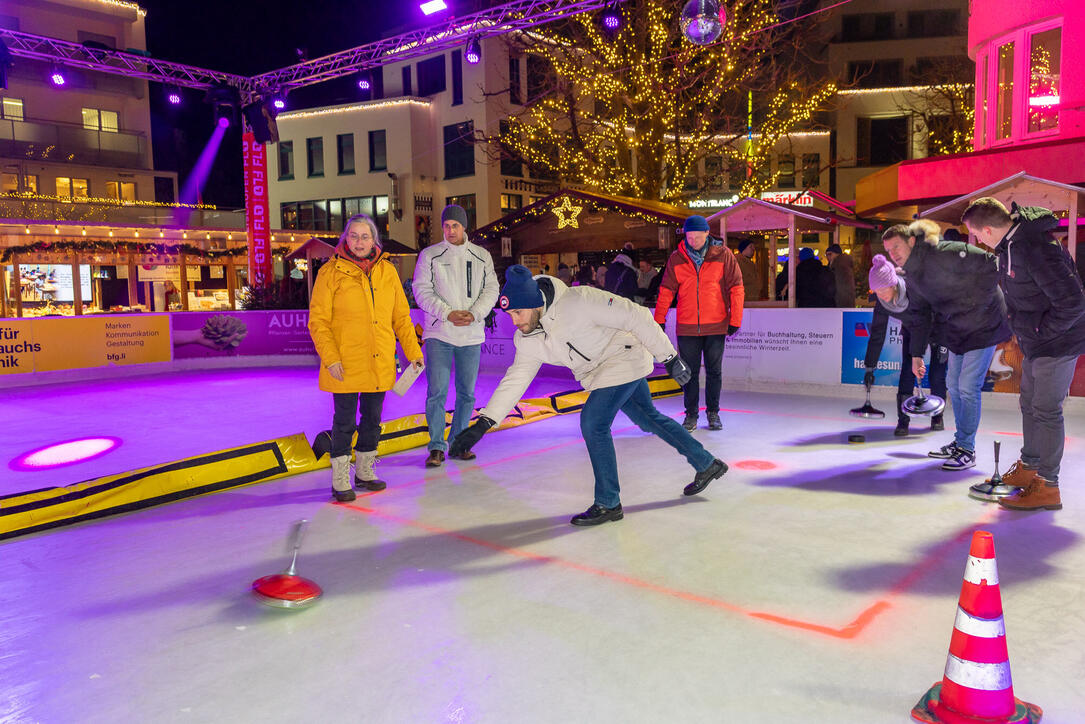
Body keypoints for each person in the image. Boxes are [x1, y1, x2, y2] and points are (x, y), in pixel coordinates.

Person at [447, 265, 728, 526]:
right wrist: (484, 423)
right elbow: (516, 379)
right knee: (649, 419)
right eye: (509, 315)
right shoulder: (527, 337)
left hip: (623, 358)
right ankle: (707, 464)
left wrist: (668, 356)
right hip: (599, 373)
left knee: (593, 423)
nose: (515, 322)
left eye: (518, 313)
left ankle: (608, 502)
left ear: (535, 304)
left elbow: (636, 315)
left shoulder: (578, 301)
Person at [962, 198, 1085, 509]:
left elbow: (1073, 301)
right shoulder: (1010, 248)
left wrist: (1041, 331)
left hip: (1057, 343)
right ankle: (1030, 467)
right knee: (1029, 403)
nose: (980, 242)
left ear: (987, 229)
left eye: (977, 235)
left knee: (1046, 409)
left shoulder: (1034, 248)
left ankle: (1048, 485)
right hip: (1037, 343)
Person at [309, 213, 423, 502]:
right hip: (344, 363)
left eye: (365, 236)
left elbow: (401, 318)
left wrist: (413, 353)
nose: (359, 242)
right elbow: (318, 322)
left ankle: (364, 471)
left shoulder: (388, 271)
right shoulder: (330, 273)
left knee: (372, 419)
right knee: (344, 422)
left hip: (378, 359)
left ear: (375, 240)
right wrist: (331, 357)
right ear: (345, 238)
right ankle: (339, 478)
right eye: (354, 236)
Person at [884, 220, 1011, 471]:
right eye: (888, 251)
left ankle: (967, 449)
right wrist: (917, 354)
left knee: (967, 386)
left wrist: (976, 305)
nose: (893, 254)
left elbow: (990, 263)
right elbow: (920, 316)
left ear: (911, 241)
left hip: (984, 324)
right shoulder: (913, 276)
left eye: (897, 246)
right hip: (957, 330)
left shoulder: (944, 252)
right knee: (953, 384)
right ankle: (960, 442)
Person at [412, 204, 499, 468]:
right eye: (446, 226)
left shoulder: (481, 256)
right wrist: (447, 313)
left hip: (471, 335)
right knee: (436, 392)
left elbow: (491, 289)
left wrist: (475, 314)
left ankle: (459, 443)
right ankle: (437, 446)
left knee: (467, 394)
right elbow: (421, 290)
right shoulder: (430, 255)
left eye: (455, 226)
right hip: (440, 332)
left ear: (464, 227)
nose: (450, 230)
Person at [654, 215, 744, 431]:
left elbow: (737, 287)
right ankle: (691, 415)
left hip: (716, 324)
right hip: (687, 326)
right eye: (688, 236)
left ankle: (713, 413)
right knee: (688, 372)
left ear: (706, 234)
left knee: (714, 371)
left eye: (696, 236)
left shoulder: (724, 255)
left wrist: (735, 319)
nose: (692, 240)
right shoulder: (677, 258)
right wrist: (659, 318)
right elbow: (666, 290)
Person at [863, 250, 947, 437]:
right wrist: (870, 366)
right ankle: (903, 420)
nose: (882, 296)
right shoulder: (882, 302)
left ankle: (937, 416)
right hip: (912, 328)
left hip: (938, 326)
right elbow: (877, 332)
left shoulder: (914, 288)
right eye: (877, 292)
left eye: (884, 290)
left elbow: (927, 318)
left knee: (937, 374)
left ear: (894, 284)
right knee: (908, 371)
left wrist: (921, 353)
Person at [825, 243, 856, 308]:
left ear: (836, 254)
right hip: (846, 301)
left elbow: (834, 285)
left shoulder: (837, 265)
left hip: (839, 302)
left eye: (830, 254)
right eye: (826, 255)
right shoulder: (844, 264)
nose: (828, 257)